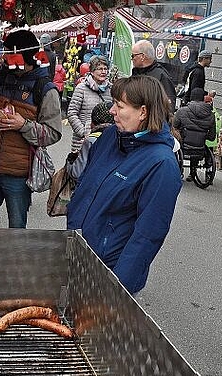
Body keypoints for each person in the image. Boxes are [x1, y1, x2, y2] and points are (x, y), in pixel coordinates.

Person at [66, 76, 181, 294]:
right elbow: (86, 186)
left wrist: (117, 289)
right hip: (77, 256)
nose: (111, 110)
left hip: (108, 273)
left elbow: (147, 236)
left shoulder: (161, 164)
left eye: (119, 106)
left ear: (143, 112)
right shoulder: (110, 136)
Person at [0, 30, 62, 228]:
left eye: (9, 52)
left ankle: (15, 260)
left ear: (24, 56)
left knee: (17, 229)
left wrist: (23, 125)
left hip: (19, 174)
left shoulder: (46, 89)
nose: (3, 57)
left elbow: (53, 133)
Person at [67, 55, 111, 152]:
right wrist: (83, 132)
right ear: (92, 71)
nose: (103, 72)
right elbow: (72, 113)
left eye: (105, 69)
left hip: (103, 142)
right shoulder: (81, 88)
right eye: (99, 69)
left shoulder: (110, 90)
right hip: (82, 142)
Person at [173, 87, 216, 181]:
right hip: (200, 149)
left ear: (191, 98)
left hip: (183, 146)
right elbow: (212, 137)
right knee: (197, 140)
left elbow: (173, 128)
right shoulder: (211, 115)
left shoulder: (182, 111)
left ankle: (178, 169)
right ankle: (193, 171)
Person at [68, 100, 114, 180]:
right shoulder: (122, 138)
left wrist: (71, 160)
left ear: (93, 122)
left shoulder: (91, 140)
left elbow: (77, 173)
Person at [131, 39, 177, 111]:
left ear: (142, 56)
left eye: (133, 56)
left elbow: (169, 105)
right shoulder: (135, 72)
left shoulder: (161, 76)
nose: (132, 59)